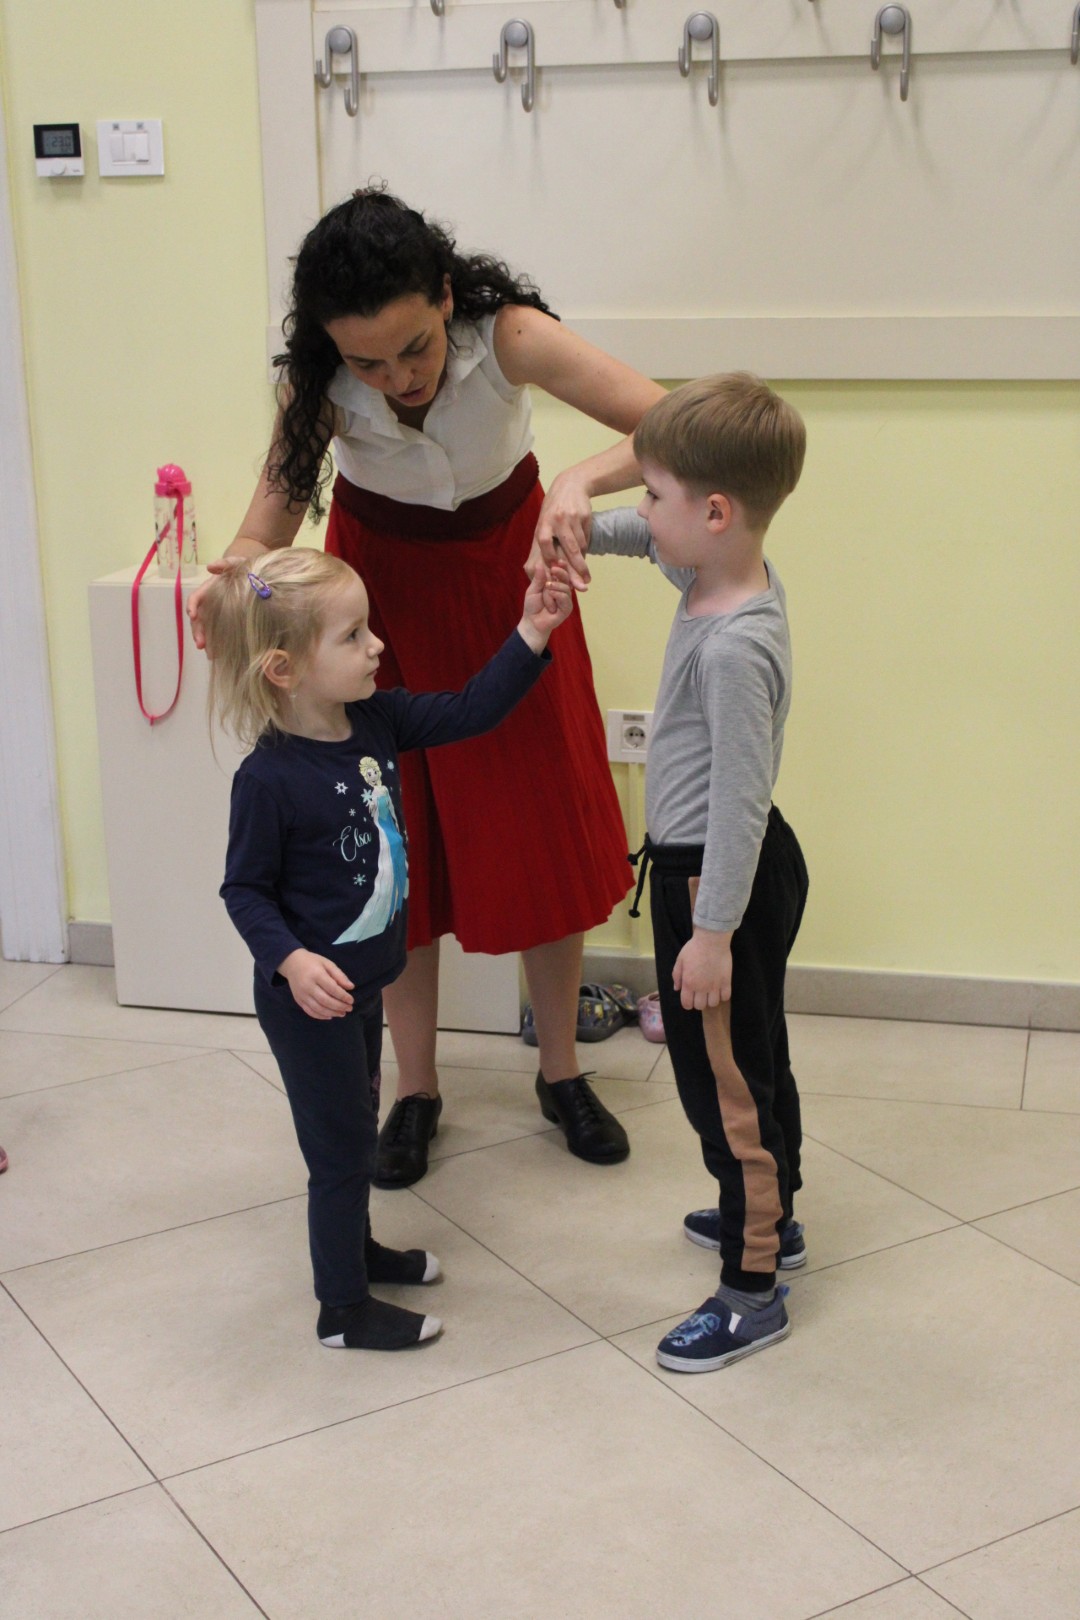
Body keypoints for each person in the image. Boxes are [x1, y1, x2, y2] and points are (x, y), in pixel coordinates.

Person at [189, 186, 666, 1187]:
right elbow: (267, 523)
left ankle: (562, 1071)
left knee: (541, 822)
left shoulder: (511, 335)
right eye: (367, 363)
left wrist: (577, 480)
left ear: (446, 295)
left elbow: (670, 422)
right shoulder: (320, 384)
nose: (397, 378)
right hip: (378, 608)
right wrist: (234, 577)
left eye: (414, 347)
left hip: (509, 582)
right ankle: (415, 1089)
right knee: (390, 841)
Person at [203, 546, 574, 1350]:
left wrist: (532, 633)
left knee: (356, 1125)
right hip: (310, 1002)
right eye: (353, 636)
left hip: (365, 984)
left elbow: (472, 709)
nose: (376, 646)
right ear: (284, 669)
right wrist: (291, 961)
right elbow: (244, 892)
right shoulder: (267, 780)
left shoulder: (376, 719)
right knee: (340, 1152)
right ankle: (341, 1310)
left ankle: (357, 1251)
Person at [586, 374, 809, 1372]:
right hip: (734, 872)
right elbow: (653, 544)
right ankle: (775, 1217)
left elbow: (739, 803)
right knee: (756, 1060)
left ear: (713, 512)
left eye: (652, 495)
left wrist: (711, 933)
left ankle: (752, 1289)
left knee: (727, 1092)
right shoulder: (725, 576)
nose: (641, 512)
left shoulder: (731, 651)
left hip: (717, 880)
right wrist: (578, 527)